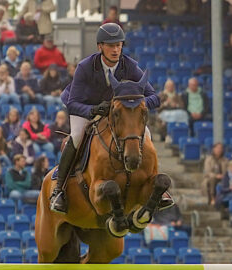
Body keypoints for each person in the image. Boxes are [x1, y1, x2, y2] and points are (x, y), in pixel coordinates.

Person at [53, 23, 161, 213]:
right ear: (100, 47)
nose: (115, 49)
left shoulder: (129, 65)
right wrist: (94, 109)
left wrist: (138, 105)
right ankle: (59, 190)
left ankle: (153, 182)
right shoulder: (85, 67)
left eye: (118, 45)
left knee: (146, 133)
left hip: (116, 113)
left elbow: (154, 97)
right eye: (111, 45)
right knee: (77, 136)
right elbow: (73, 103)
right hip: (86, 107)